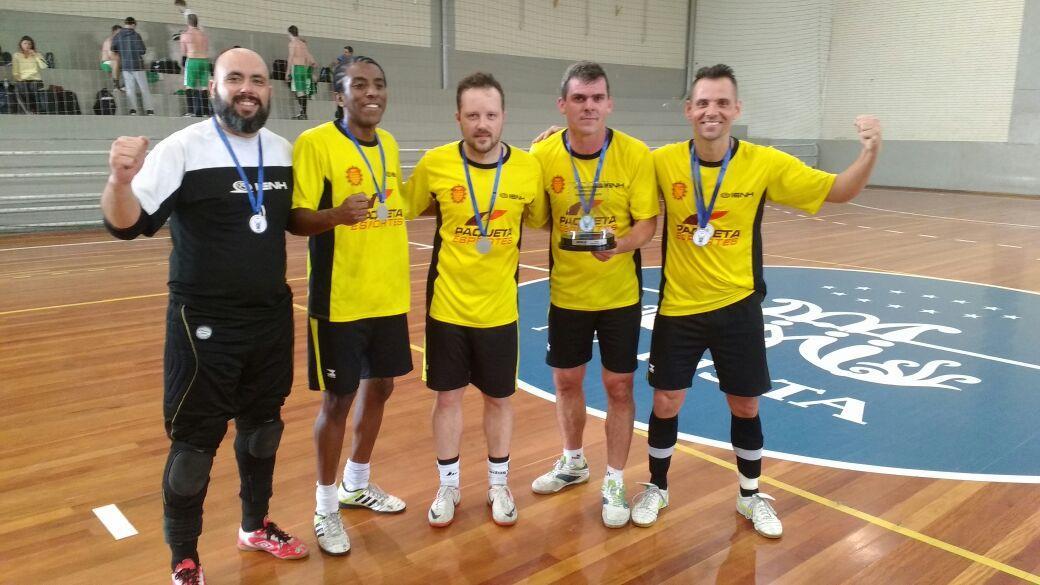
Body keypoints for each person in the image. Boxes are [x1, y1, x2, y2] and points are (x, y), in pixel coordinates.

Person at [630, 64, 882, 537]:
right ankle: (657, 487)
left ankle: (750, 496)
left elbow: (839, 191)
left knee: (745, 406)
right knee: (666, 400)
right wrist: (550, 140)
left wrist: (870, 151)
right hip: (679, 309)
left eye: (722, 103)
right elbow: (608, 157)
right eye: (703, 102)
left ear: (736, 110)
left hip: (737, 308)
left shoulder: (763, 163)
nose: (712, 111)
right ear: (688, 111)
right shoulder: (661, 161)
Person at [100, 48, 309, 585]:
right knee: (195, 445)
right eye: (234, 78)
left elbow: (289, 222)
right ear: (211, 86)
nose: (247, 88)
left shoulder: (282, 151)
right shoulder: (184, 148)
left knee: (263, 429)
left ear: (270, 89)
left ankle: (254, 525)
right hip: (203, 326)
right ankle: (184, 557)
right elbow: (127, 226)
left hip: (269, 319)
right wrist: (120, 182)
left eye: (258, 80)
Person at [402, 72, 548, 529]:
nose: (482, 124)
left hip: (501, 309)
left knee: (500, 399)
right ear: (458, 118)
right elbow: (409, 205)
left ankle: (498, 483)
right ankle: (448, 485)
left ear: (504, 117)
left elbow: (541, 217)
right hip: (447, 307)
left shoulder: (527, 168)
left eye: (490, 114)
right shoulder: (435, 162)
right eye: (472, 115)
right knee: (447, 398)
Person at [527, 61, 658, 528]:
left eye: (597, 97)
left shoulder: (636, 154)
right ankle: (573, 461)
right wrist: (528, 161)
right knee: (566, 382)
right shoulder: (543, 156)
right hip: (566, 294)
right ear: (562, 105)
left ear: (609, 103)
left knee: (618, 386)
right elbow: (538, 219)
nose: (589, 106)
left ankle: (616, 479)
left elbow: (648, 223)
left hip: (619, 294)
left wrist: (618, 245)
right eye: (579, 98)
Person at [288, 56, 410, 556]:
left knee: (381, 386)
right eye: (359, 85)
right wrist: (337, 215)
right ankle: (324, 506)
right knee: (337, 401)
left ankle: (356, 482)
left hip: (388, 296)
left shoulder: (392, 145)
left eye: (378, 84)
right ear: (339, 96)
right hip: (339, 300)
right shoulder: (316, 144)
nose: (371, 93)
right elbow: (294, 219)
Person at [111, 17, 155, 115]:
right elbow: (142, 50)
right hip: (137, 65)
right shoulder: (136, 35)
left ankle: (133, 110)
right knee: (144, 88)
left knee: (130, 89)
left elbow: (113, 48)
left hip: (126, 66)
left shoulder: (118, 36)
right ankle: (149, 110)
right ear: (133, 24)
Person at [179, 13, 210, 116]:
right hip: (204, 61)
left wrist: (183, 60)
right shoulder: (203, 35)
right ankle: (206, 112)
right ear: (197, 22)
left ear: (188, 23)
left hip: (192, 60)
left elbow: (184, 51)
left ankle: (191, 111)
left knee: (189, 86)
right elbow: (206, 48)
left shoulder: (185, 35)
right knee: (204, 87)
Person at [11, 36, 47, 114]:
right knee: (19, 88)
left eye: (29, 44)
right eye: (25, 43)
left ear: (32, 46)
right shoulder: (16, 55)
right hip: (22, 80)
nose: (27, 45)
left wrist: (36, 56)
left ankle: (32, 111)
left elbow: (44, 66)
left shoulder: (37, 54)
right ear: (21, 44)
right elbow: (15, 70)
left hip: (35, 79)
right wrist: (18, 78)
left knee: (31, 88)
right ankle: (27, 111)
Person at [287, 25, 317, 120]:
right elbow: (308, 56)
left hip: (297, 68)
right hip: (304, 69)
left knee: (300, 92)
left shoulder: (292, 43)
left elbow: (291, 57)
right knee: (302, 91)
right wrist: (312, 63)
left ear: (289, 33)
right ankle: (303, 112)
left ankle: (303, 113)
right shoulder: (303, 44)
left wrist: (287, 72)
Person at [100, 25, 122, 90]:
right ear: (114, 32)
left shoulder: (118, 41)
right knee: (115, 62)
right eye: (119, 32)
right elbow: (112, 56)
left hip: (115, 62)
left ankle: (123, 85)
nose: (121, 34)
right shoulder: (109, 41)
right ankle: (116, 85)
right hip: (106, 63)